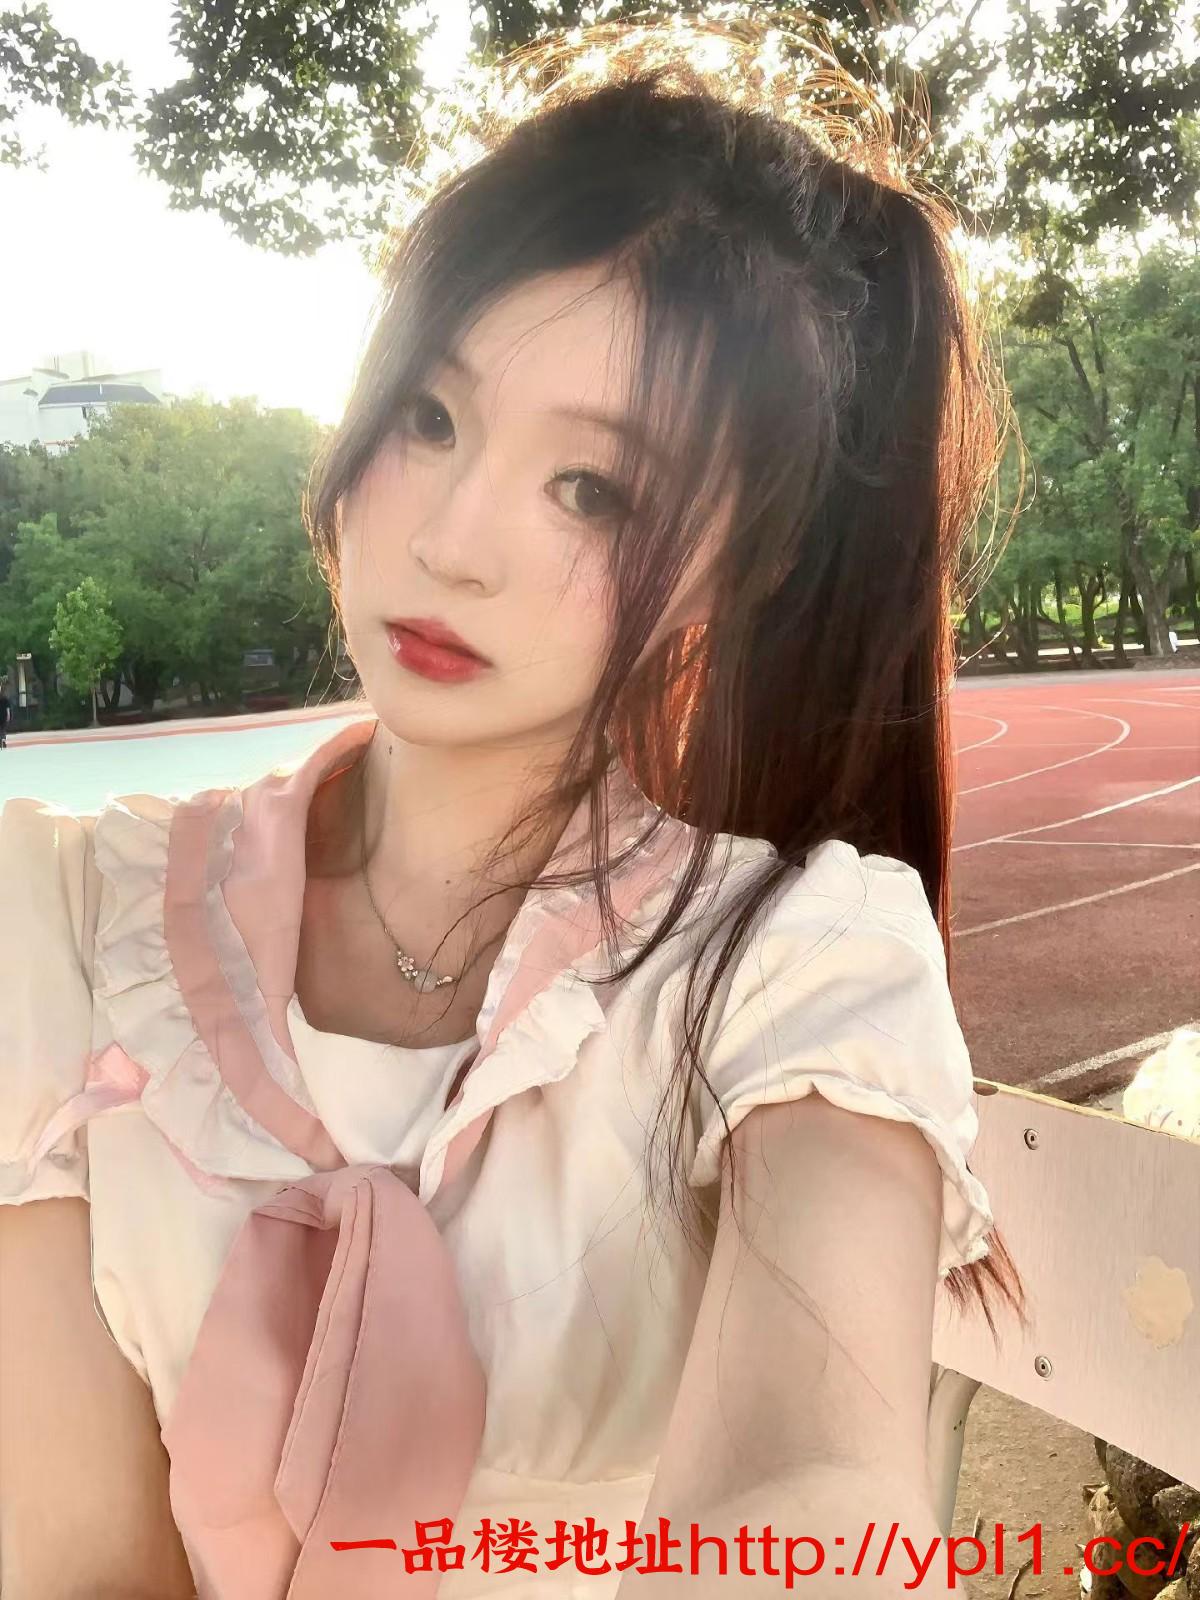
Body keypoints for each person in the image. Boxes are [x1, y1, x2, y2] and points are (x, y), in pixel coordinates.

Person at [0, 21, 1023, 1600]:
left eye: (592, 490)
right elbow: (74, 1551)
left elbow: (814, 1480)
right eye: (430, 418)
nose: (452, 541)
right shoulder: (66, 917)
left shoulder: (797, 966)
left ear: (738, 570)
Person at [0, 681, 9, 747]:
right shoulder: (5, 698)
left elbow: (7, 708)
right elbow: (7, 708)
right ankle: (3, 741)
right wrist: (8, 715)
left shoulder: (5, 698)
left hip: (3, 716)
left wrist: (8, 715)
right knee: (3, 729)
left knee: (2, 729)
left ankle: (2, 741)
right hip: (4, 716)